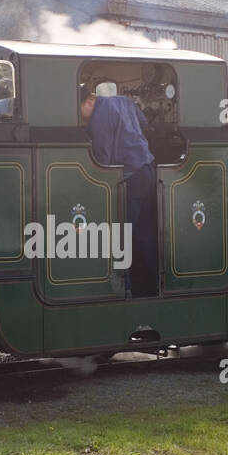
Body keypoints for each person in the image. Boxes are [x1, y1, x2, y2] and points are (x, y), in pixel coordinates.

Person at [80, 87, 158, 298]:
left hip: (132, 176)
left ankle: (126, 289)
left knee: (120, 236)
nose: (82, 119)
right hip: (149, 168)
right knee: (144, 233)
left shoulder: (98, 119)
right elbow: (144, 123)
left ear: (88, 103)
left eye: (81, 113)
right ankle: (152, 285)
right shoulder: (123, 101)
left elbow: (102, 161)